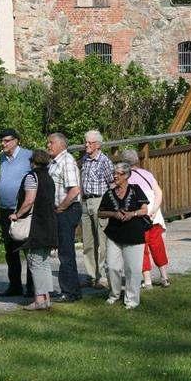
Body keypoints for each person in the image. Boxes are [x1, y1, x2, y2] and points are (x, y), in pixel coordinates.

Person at [8, 149, 58, 311]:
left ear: (32, 162)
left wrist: (17, 214)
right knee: (43, 263)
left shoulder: (32, 177)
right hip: (49, 224)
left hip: (36, 225)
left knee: (35, 262)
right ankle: (46, 298)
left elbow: (29, 200)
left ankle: (38, 300)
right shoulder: (49, 178)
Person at [98, 161, 150, 310]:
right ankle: (114, 294)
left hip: (134, 234)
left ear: (127, 175)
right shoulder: (109, 193)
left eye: (118, 174)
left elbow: (144, 210)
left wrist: (132, 214)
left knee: (132, 269)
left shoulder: (135, 190)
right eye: (114, 173)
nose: (115, 176)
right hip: (114, 234)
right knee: (112, 267)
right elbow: (100, 212)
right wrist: (114, 213)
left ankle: (131, 299)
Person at [121, 148, 170, 288]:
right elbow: (159, 193)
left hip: (139, 220)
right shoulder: (147, 174)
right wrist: (154, 210)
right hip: (154, 218)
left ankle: (147, 281)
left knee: (142, 250)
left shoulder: (125, 179)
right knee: (158, 247)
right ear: (137, 160)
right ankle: (164, 277)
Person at [0, 128, 34, 298]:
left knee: (28, 248)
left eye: (6, 140)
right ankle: (15, 286)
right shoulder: (3, 158)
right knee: (10, 250)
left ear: (16, 140)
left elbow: (36, 180)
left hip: (23, 210)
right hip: (5, 209)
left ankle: (32, 288)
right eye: (2, 141)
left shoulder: (28, 156)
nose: (3, 144)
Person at [47, 132, 82, 303]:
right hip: (60, 210)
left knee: (66, 252)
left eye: (51, 142)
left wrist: (60, 208)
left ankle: (70, 292)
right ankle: (70, 289)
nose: (48, 146)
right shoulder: (54, 162)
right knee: (63, 250)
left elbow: (74, 190)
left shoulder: (66, 160)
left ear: (61, 144)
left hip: (67, 210)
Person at [79, 129, 113, 289]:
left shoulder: (104, 161)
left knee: (102, 241)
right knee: (88, 242)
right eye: (85, 142)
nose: (86, 145)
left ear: (98, 145)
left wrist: (110, 204)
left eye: (89, 143)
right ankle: (92, 275)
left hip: (100, 201)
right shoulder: (84, 159)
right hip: (85, 202)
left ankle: (103, 277)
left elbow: (112, 183)